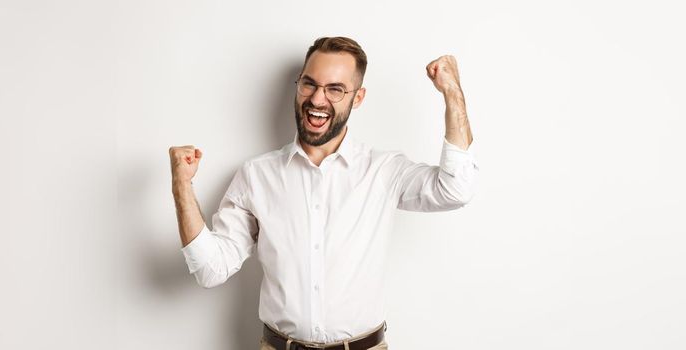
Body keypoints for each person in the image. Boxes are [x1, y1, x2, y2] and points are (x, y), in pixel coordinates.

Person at [168, 36, 478, 350]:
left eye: (335, 89)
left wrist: (452, 93)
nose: (318, 99)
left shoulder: (384, 170)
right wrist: (182, 186)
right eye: (309, 84)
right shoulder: (256, 176)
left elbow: (455, 189)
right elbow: (210, 270)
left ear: (357, 98)